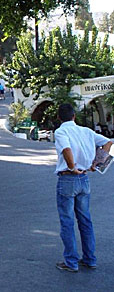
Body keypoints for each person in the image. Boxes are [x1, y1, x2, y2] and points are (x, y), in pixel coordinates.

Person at [54, 104, 113, 272]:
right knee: (85, 220)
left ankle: (71, 262)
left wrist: (72, 167)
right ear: (74, 116)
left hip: (68, 178)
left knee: (67, 222)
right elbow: (107, 143)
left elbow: (66, 149)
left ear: (59, 118)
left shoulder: (61, 132)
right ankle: (89, 258)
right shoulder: (86, 131)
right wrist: (98, 162)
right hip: (84, 178)